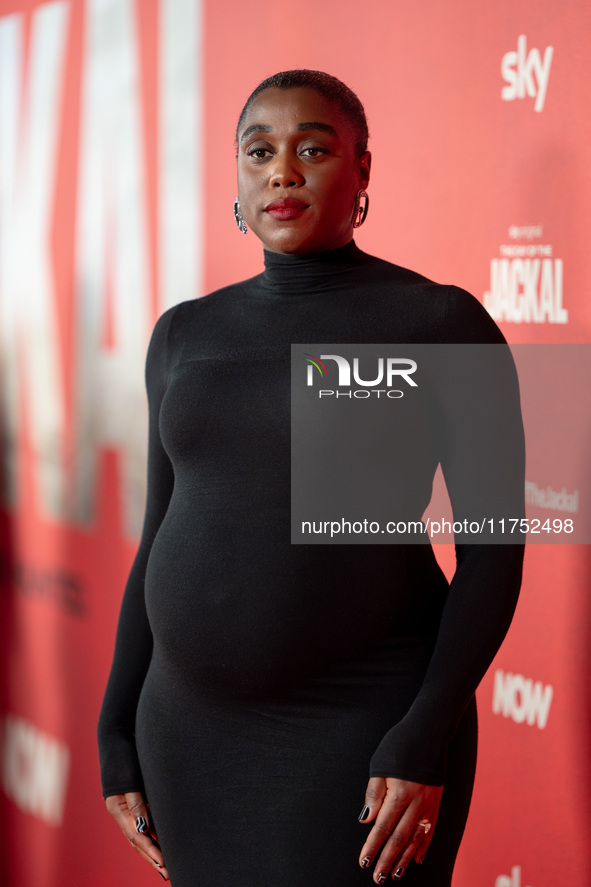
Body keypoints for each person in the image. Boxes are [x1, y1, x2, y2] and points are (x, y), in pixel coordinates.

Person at [98, 70, 525, 887]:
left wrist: (423, 730)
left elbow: (495, 551)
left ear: (362, 170)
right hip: (189, 733)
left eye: (313, 149)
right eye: (258, 151)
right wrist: (116, 729)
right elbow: (158, 534)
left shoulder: (440, 322)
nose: (281, 171)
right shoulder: (182, 333)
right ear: (236, 179)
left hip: (365, 726)